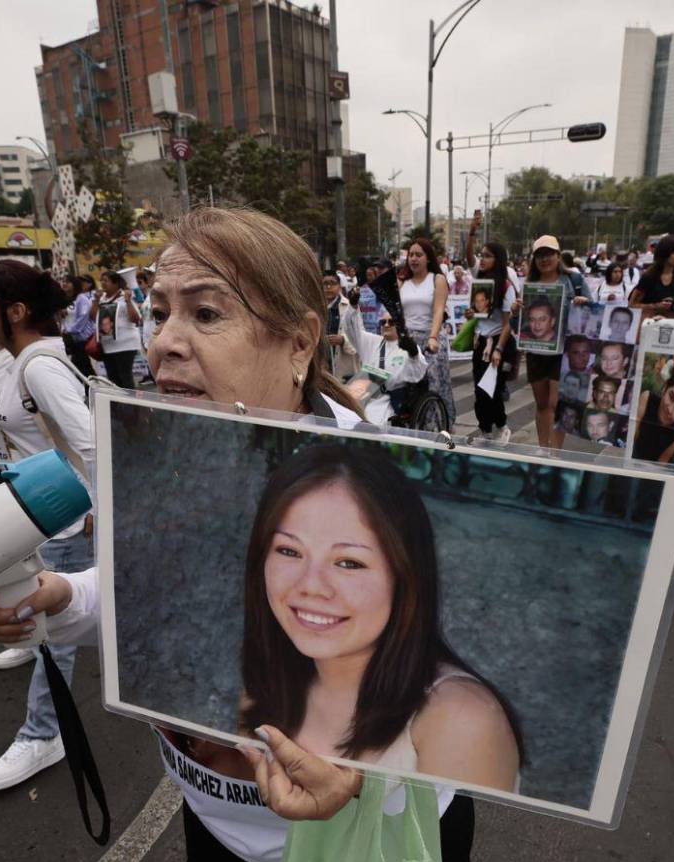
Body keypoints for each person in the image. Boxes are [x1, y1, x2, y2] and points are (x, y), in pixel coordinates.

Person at [0, 207, 481, 862]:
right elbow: (140, 589)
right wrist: (66, 602)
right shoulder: (163, 453)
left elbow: (458, 672)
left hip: (372, 852)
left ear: (299, 343)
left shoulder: (393, 480)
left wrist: (368, 762)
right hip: (218, 829)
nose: (162, 345)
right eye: (158, 313)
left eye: (206, 314)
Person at [240, 443, 520, 786]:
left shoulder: (460, 721)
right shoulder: (262, 686)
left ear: (405, 576)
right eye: (288, 551)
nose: (311, 586)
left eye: (349, 563)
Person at [0, 259, 95, 790]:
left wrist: (94, 512)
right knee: (44, 615)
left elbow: (91, 443)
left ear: (14, 311)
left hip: (65, 514)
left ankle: (42, 734)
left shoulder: (37, 366)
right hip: (33, 507)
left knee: (50, 623)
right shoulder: (10, 359)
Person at [512, 235, 593, 449]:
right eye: (539, 255)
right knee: (541, 404)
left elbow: (594, 312)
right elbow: (516, 325)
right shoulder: (528, 285)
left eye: (549, 254)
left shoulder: (574, 281)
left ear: (558, 256)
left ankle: (554, 453)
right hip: (536, 353)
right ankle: (543, 448)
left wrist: (584, 303)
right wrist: (514, 312)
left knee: (555, 403)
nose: (544, 259)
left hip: (564, 353)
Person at [399, 238, 455, 420]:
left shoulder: (437, 279)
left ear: (428, 258)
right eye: (411, 255)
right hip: (408, 341)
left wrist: (432, 337)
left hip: (432, 338)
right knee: (406, 386)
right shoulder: (402, 282)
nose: (414, 259)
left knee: (433, 385)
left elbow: (439, 310)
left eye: (419, 255)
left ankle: (439, 425)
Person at [469, 242, 515, 440]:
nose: (483, 259)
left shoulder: (506, 286)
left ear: (498, 259)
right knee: (480, 391)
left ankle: (502, 426)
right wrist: (470, 313)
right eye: (482, 255)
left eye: (488, 256)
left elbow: (507, 324)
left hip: (500, 343)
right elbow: (469, 256)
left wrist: (498, 349)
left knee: (494, 390)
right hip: (481, 344)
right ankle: (485, 430)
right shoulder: (480, 282)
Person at [346, 311, 426, 426]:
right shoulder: (372, 342)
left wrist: (413, 355)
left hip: (390, 399)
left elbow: (417, 373)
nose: (386, 325)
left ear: (400, 325)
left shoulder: (408, 346)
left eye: (391, 322)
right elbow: (351, 329)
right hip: (364, 395)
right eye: (383, 322)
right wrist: (352, 307)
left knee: (368, 422)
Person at [632, 367, 674, 465]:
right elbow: (630, 440)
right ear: (664, 389)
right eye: (671, 397)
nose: (670, 409)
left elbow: (658, 468)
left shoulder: (673, 439)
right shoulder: (647, 399)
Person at [90, 270, 142, 389]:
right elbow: (93, 317)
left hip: (125, 344)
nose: (103, 283)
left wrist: (128, 301)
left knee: (125, 376)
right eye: (101, 280)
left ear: (115, 283)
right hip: (108, 344)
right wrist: (96, 301)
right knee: (113, 378)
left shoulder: (125, 296)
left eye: (106, 280)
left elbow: (135, 318)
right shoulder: (101, 298)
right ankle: (120, 405)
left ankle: (131, 406)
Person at [629, 235, 674, 318]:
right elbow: (632, 305)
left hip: (670, 325)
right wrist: (657, 306)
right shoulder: (648, 277)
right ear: (665, 254)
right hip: (648, 324)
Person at [323, 271, 361, 382]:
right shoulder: (315, 307)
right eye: (325, 284)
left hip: (343, 362)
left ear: (339, 286)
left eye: (332, 283)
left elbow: (359, 333)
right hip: (322, 362)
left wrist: (343, 340)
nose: (328, 287)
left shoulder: (350, 306)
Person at [61, 275, 97, 377]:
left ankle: (94, 387)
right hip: (70, 338)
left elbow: (83, 316)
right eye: (63, 282)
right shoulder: (65, 300)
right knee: (80, 366)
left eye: (68, 282)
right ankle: (90, 388)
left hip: (81, 337)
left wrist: (71, 329)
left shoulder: (81, 299)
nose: (64, 284)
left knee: (82, 366)